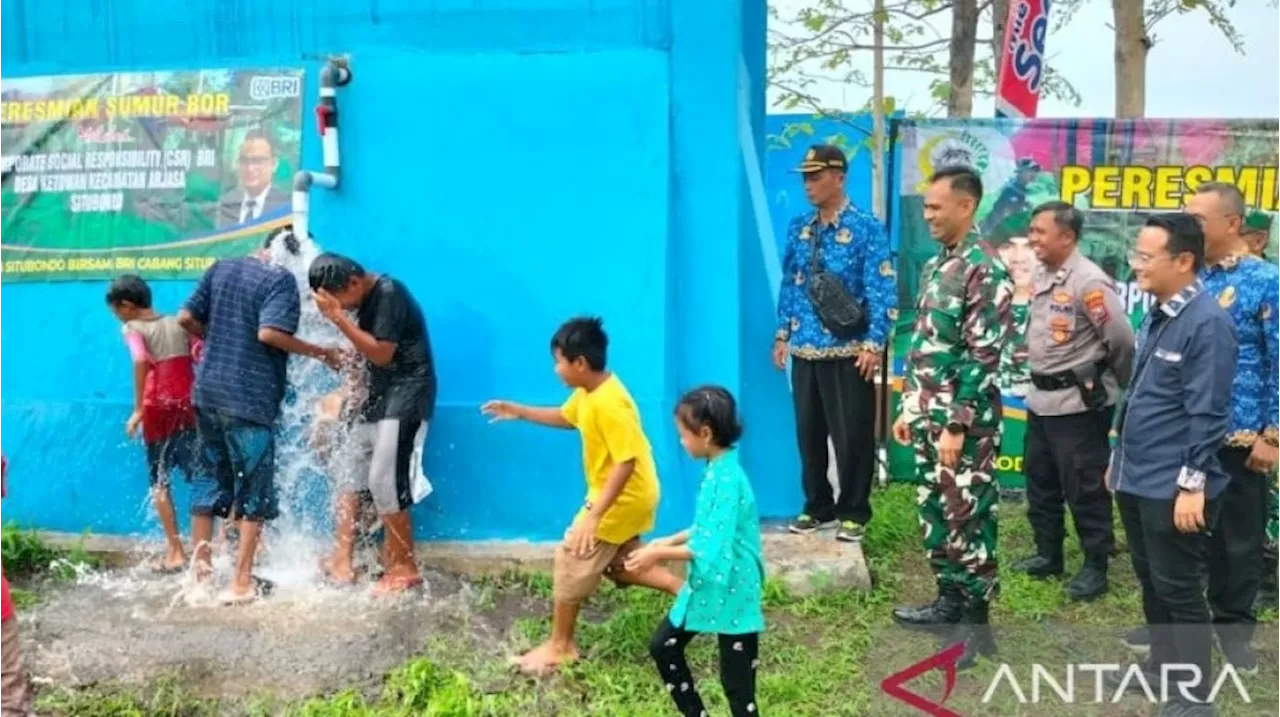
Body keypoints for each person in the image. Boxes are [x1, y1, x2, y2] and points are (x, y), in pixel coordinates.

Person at [481, 317, 683, 675]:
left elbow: (625, 462)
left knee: (574, 555)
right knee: (618, 560)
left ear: (580, 363)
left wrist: (592, 515)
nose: (555, 369)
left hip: (622, 495)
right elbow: (566, 416)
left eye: (558, 361)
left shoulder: (610, 403)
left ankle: (561, 646)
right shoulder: (590, 393)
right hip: (628, 493)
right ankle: (684, 590)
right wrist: (521, 411)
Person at [1106, 213, 1236, 715]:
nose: (1135, 264)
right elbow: (1138, 395)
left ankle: (1193, 696)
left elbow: (1208, 411)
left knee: (1180, 589)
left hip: (1173, 485)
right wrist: (1117, 459)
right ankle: (1162, 669)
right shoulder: (1160, 313)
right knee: (1151, 579)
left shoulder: (1208, 322)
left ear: (1183, 260)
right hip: (1136, 477)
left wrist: (1192, 484)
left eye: (1145, 256)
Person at [889, 166, 1014, 670]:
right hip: (927, 418)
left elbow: (985, 355)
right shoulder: (939, 265)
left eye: (937, 207)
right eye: (926, 207)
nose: (929, 216)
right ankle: (948, 602)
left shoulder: (986, 268)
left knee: (968, 517)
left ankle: (975, 626)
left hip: (965, 426)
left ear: (966, 206)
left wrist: (956, 425)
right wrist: (909, 405)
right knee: (934, 513)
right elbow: (926, 345)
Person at [1160, 182, 1280, 674]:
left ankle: (1234, 634)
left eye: (1199, 219)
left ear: (1232, 224)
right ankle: (1179, 631)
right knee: (1180, 537)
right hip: (1184, 437)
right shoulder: (1187, 277)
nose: (1189, 227)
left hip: (1241, 441)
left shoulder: (1265, 280)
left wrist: (1273, 435)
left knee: (1238, 544)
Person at [178, 245, 338, 605]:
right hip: (249, 399)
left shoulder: (219, 268)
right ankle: (240, 583)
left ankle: (200, 578)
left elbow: (185, 319)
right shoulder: (279, 279)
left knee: (207, 479)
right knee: (254, 490)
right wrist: (321, 352)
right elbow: (269, 334)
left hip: (207, 394)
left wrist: (218, 340)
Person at [1010, 202, 1135, 601]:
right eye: (1031, 231)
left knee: (1084, 488)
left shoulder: (1089, 282)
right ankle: (1049, 555)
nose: (1032, 239)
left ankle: (1096, 564)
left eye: (1039, 232)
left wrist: (1111, 384)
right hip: (1041, 400)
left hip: (1079, 406)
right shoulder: (1044, 275)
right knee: (1041, 482)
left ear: (1067, 236)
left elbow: (1122, 341)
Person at [773, 144, 895, 542]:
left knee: (852, 435)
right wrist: (782, 334)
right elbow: (791, 284)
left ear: (839, 177)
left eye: (816, 176)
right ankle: (817, 505)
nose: (809, 185)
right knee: (808, 432)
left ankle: (854, 511)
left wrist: (874, 344)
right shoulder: (800, 228)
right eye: (805, 177)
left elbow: (881, 288)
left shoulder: (866, 227)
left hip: (849, 349)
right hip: (805, 347)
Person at [626, 386, 764, 717]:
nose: (680, 442)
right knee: (664, 647)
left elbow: (711, 545)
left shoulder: (727, 477)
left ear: (705, 433)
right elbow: (708, 526)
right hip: (710, 582)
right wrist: (667, 541)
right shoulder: (717, 470)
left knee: (737, 684)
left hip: (734, 585)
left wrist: (655, 556)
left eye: (683, 435)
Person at [309, 253, 436, 596]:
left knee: (384, 480)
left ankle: (404, 565)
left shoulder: (390, 293)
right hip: (374, 397)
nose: (342, 309)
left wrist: (338, 319)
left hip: (406, 396)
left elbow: (381, 354)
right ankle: (342, 559)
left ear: (353, 283)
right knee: (349, 474)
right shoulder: (360, 301)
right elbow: (361, 355)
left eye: (340, 301)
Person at [106, 274, 202, 574]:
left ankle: (175, 551)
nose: (116, 316)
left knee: (159, 479)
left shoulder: (132, 327)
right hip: (189, 402)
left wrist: (137, 410)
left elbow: (138, 360)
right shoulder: (179, 322)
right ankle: (219, 542)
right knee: (203, 473)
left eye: (115, 310)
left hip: (157, 406)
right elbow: (200, 352)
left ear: (126, 305)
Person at [217, 129, 290, 227]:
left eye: (257, 161)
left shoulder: (286, 206)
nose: (250, 168)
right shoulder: (226, 204)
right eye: (244, 161)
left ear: (274, 164)